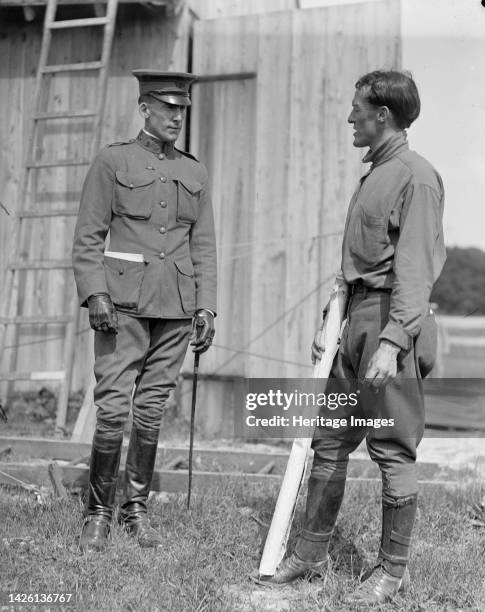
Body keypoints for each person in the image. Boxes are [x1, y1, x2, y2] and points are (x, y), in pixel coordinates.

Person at [262, 70, 445, 604]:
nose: (350, 118)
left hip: (393, 323)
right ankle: (310, 552)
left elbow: (415, 270)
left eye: (356, 109)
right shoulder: (377, 174)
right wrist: (330, 318)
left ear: (382, 114)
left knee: (392, 448)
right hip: (357, 321)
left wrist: (391, 342)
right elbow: (356, 266)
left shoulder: (417, 177)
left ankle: (391, 573)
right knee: (330, 440)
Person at [72, 70, 217, 553]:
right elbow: (89, 237)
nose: (177, 116)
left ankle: (135, 510)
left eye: (182, 109)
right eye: (167, 107)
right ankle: (98, 513)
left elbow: (205, 246)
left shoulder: (194, 171)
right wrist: (95, 293)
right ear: (144, 109)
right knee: (113, 406)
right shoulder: (113, 161)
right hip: (122, 307)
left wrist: (206, 307)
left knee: (151, 408)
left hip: (175, 308)